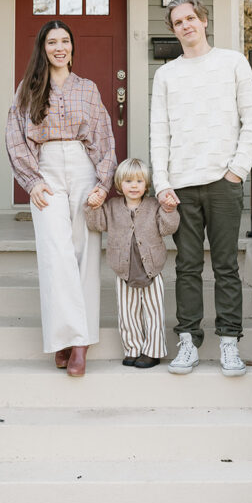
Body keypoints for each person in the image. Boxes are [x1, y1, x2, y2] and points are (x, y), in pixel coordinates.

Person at [150, 0, 252, 377]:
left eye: (191, 18)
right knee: (188, 266)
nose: (186, 25)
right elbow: (159, 131)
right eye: (178, 21)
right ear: (173, 29)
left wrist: (237, 172)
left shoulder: (233, 63)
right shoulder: (166, 75)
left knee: (227, 265)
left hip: (222, 182)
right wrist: (161, 182)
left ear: (204, 21)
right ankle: (188, 342)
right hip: (181, 186)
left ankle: (229, 343)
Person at [5, 20, 116, 378]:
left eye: (64, 41)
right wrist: (31, 180)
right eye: (52, 41)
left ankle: (79, 342)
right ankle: (64, 336)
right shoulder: (29, 88)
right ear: (43, 47)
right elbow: (15, 137)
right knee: (56, 252)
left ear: (72, 47)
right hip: (47, 169)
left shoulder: (88, 88)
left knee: (85, 250)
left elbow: (103, 137)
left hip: (82, 166)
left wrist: (103, 181)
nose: (59, 47)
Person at [85, 158, 179, 369]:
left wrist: (169, 210)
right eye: (128, 181)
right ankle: (133, 348)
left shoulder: (154, 205)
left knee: (153, 312)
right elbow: (96, 223)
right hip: (124, 271)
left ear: (146, 184)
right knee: (128, 313)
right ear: (119, 184)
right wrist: (92, 207)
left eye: (139, 181)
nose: (134, 185)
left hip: (151, 270)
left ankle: (153, 351)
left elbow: (168, 228)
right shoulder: (112, 207)